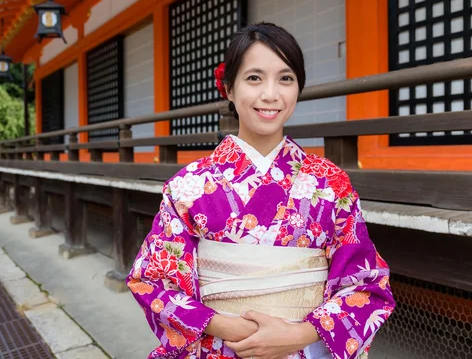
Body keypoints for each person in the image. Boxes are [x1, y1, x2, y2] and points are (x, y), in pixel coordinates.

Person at [127, 22, 394, 359]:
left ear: (298, 87)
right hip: (219, 348)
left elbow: (367, 286)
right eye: (254, 78)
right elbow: (152, 281)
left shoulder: (330, 182)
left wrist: (299, 333)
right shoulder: (189, 185)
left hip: (303, 348)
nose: (271, 94)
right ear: (228, 87)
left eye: (285, 78)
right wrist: (225, 326)